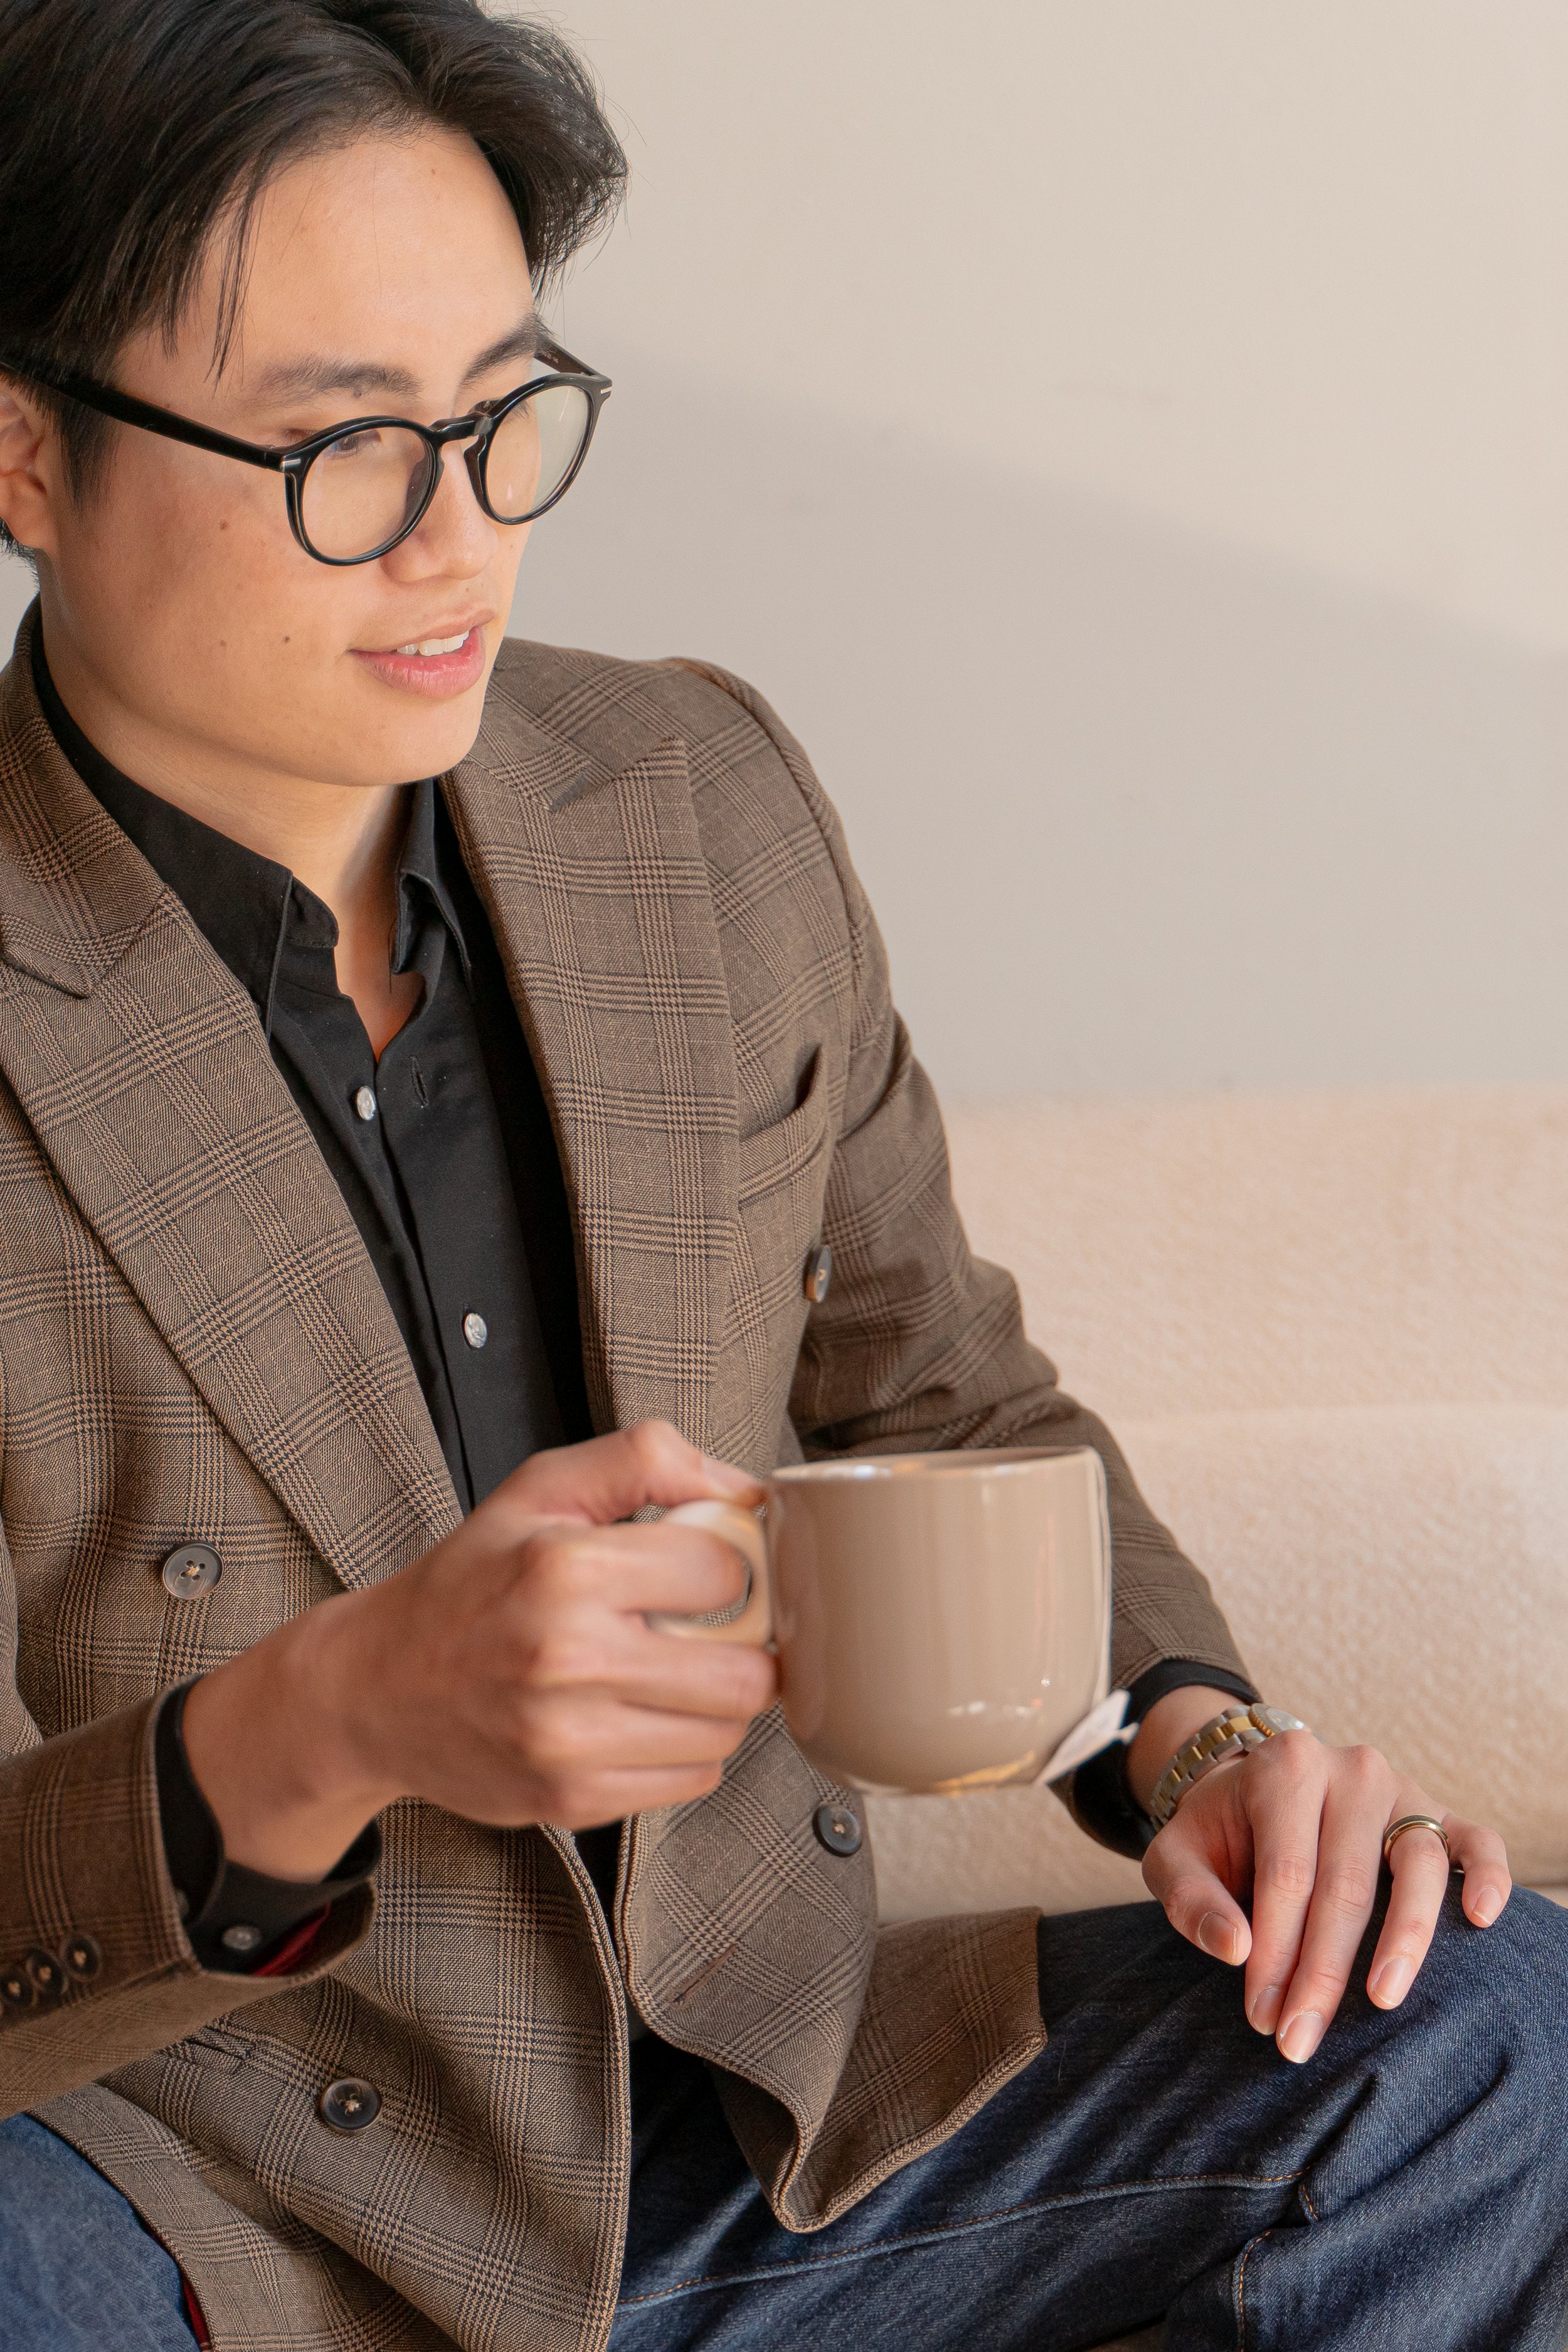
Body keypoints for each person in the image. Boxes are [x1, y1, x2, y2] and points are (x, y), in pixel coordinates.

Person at [0, 4, 1562, 2348]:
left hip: (765, 2152)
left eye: (505, 414)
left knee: (1491, 2028)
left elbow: (944, 1403)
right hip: (204, 2223)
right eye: (343, 446)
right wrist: (330, 1719)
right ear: (29, 454)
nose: (459, 532)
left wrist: (1195, 1749)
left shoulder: (687, 799)